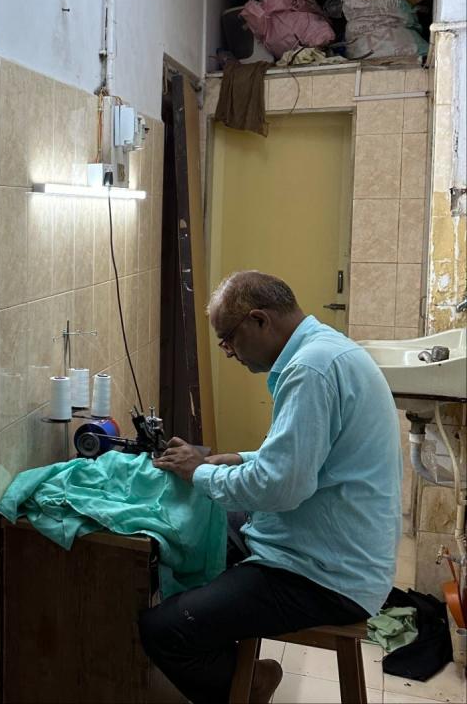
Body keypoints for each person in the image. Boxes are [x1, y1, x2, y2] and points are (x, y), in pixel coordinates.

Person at [139, 270, 401, 704]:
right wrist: (239, 459)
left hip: (323, 577)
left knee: (163, 630)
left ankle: (244, 684)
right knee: (201, 532)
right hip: (333, 547)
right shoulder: (325, 351)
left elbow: (281, 488)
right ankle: (219, 636)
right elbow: (309, 458)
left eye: (228, 338)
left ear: (259, 320)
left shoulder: (310, 371)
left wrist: (197, 473)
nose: (227, 351)